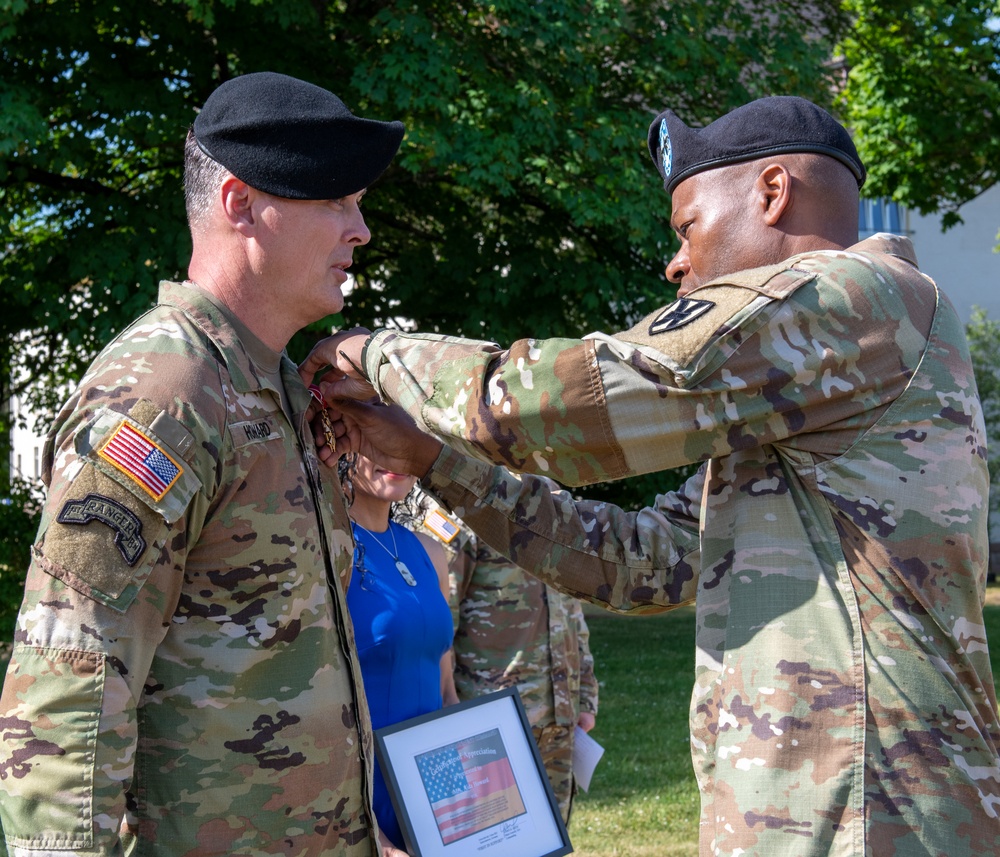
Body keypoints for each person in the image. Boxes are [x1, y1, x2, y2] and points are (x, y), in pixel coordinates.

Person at [301, 96, 1000, 855]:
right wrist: (433, 460)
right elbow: (645, 560)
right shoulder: (798, 390)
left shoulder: (853, 297)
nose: (676, 262)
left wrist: (374, 352)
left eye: (687, 227)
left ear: (772, 193)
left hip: (874, 821)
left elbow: (566, 403)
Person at [0, 71, 405, 856]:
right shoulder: (166, 390)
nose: (360, 230)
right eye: (335, 201)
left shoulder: (278, 387)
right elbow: (72, 667)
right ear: (242, 205)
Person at [418, 495, 598, 824]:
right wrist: (447, 719)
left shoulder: (559, 504)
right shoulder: (465, 505)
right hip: (487, 730)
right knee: (491, 841)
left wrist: (585, 695)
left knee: (550, 838)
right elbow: (436, 629)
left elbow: (571, 612)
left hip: (559, 726)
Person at [339, 453, 458, 852]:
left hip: (432, 792)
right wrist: (378, 837)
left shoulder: (431, 552)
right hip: (356, 797)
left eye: (403, 440)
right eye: (377, 442)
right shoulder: (329, 552)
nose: (396, 455)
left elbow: (445, 685)